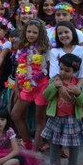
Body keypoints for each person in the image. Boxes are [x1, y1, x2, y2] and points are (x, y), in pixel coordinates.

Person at [41, 53, 83, 165]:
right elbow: (46, 95)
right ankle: (53, 163)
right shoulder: (54, 81)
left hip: (72, 119)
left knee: (73, 144)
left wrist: (78, 94)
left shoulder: (78, 85)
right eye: (61, 69)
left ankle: (72, 164)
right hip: (56, 118)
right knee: (55, 142)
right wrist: (54, 88)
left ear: (75, 71)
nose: (63, 72)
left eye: (67, 70)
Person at [10, 19, 50, 152]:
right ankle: (27, 141)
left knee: (40, 117)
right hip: (25, 85)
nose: (31, 35)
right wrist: (16, 87)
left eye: (35, 32)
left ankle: (35, 148)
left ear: (41, 34)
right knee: (15, 114)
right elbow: (18, 69)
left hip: (41, 85)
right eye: (29, 32)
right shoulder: (21, 47)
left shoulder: (45, 49)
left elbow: (50, 68)